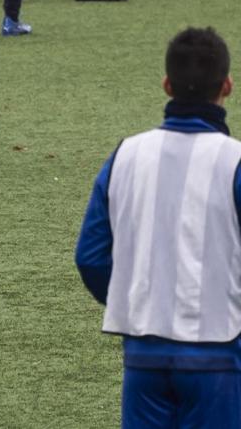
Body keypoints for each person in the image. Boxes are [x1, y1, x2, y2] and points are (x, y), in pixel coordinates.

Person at [75, 27, 241, 428]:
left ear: (166, 85)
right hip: (218, 355)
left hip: (143, 355)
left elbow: (91, 257)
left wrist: (137, 302)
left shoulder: (126, 154)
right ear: (227, 87)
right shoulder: (235, 161)